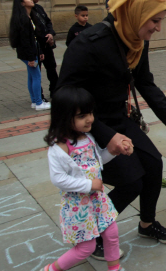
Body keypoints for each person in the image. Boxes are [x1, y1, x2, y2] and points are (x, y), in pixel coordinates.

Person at [56, 0, 166, 260]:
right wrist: (103, 134)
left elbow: (146, 83)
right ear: (135, 13)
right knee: (131, 180)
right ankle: (94, 234)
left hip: (118, 118)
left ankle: (147, 224)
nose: (157, 28)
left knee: (154, 164)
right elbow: (62, 94)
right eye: (154, 21)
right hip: (87, 128)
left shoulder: (136, 39)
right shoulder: (89, 43)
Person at [42, 86, 126, 271]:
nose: (90, 119)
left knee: (111, 232)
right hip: (78, 205)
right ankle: (52, 269)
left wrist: (113, 152)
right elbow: (58, 179)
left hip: (98, 199)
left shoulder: (87, 137)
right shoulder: (59, 147)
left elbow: (97, 162)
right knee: (86, 247)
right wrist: (88, 184)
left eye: (90, 113)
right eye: (82, 116)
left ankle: (114, 268)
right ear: (63, 117)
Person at [8, 0, 51, 111]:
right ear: (22, 4)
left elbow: (34, 38)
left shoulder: (28, 17)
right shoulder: (23, 19)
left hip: (32, 51)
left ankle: (34, 101)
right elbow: (26, 41)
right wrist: (31, 58)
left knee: (31, 76)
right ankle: (38, 103)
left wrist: (39, 51)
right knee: (36, 76)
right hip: (28, 53)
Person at [22, 0, 59, 100]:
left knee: (52, 68)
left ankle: (55, 91)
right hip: (37, 48)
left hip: (47, 44)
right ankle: (39, 97)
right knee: (36, 74)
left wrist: (51, 34)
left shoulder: (39, 8)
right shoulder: (26, 14)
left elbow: (48, 22)